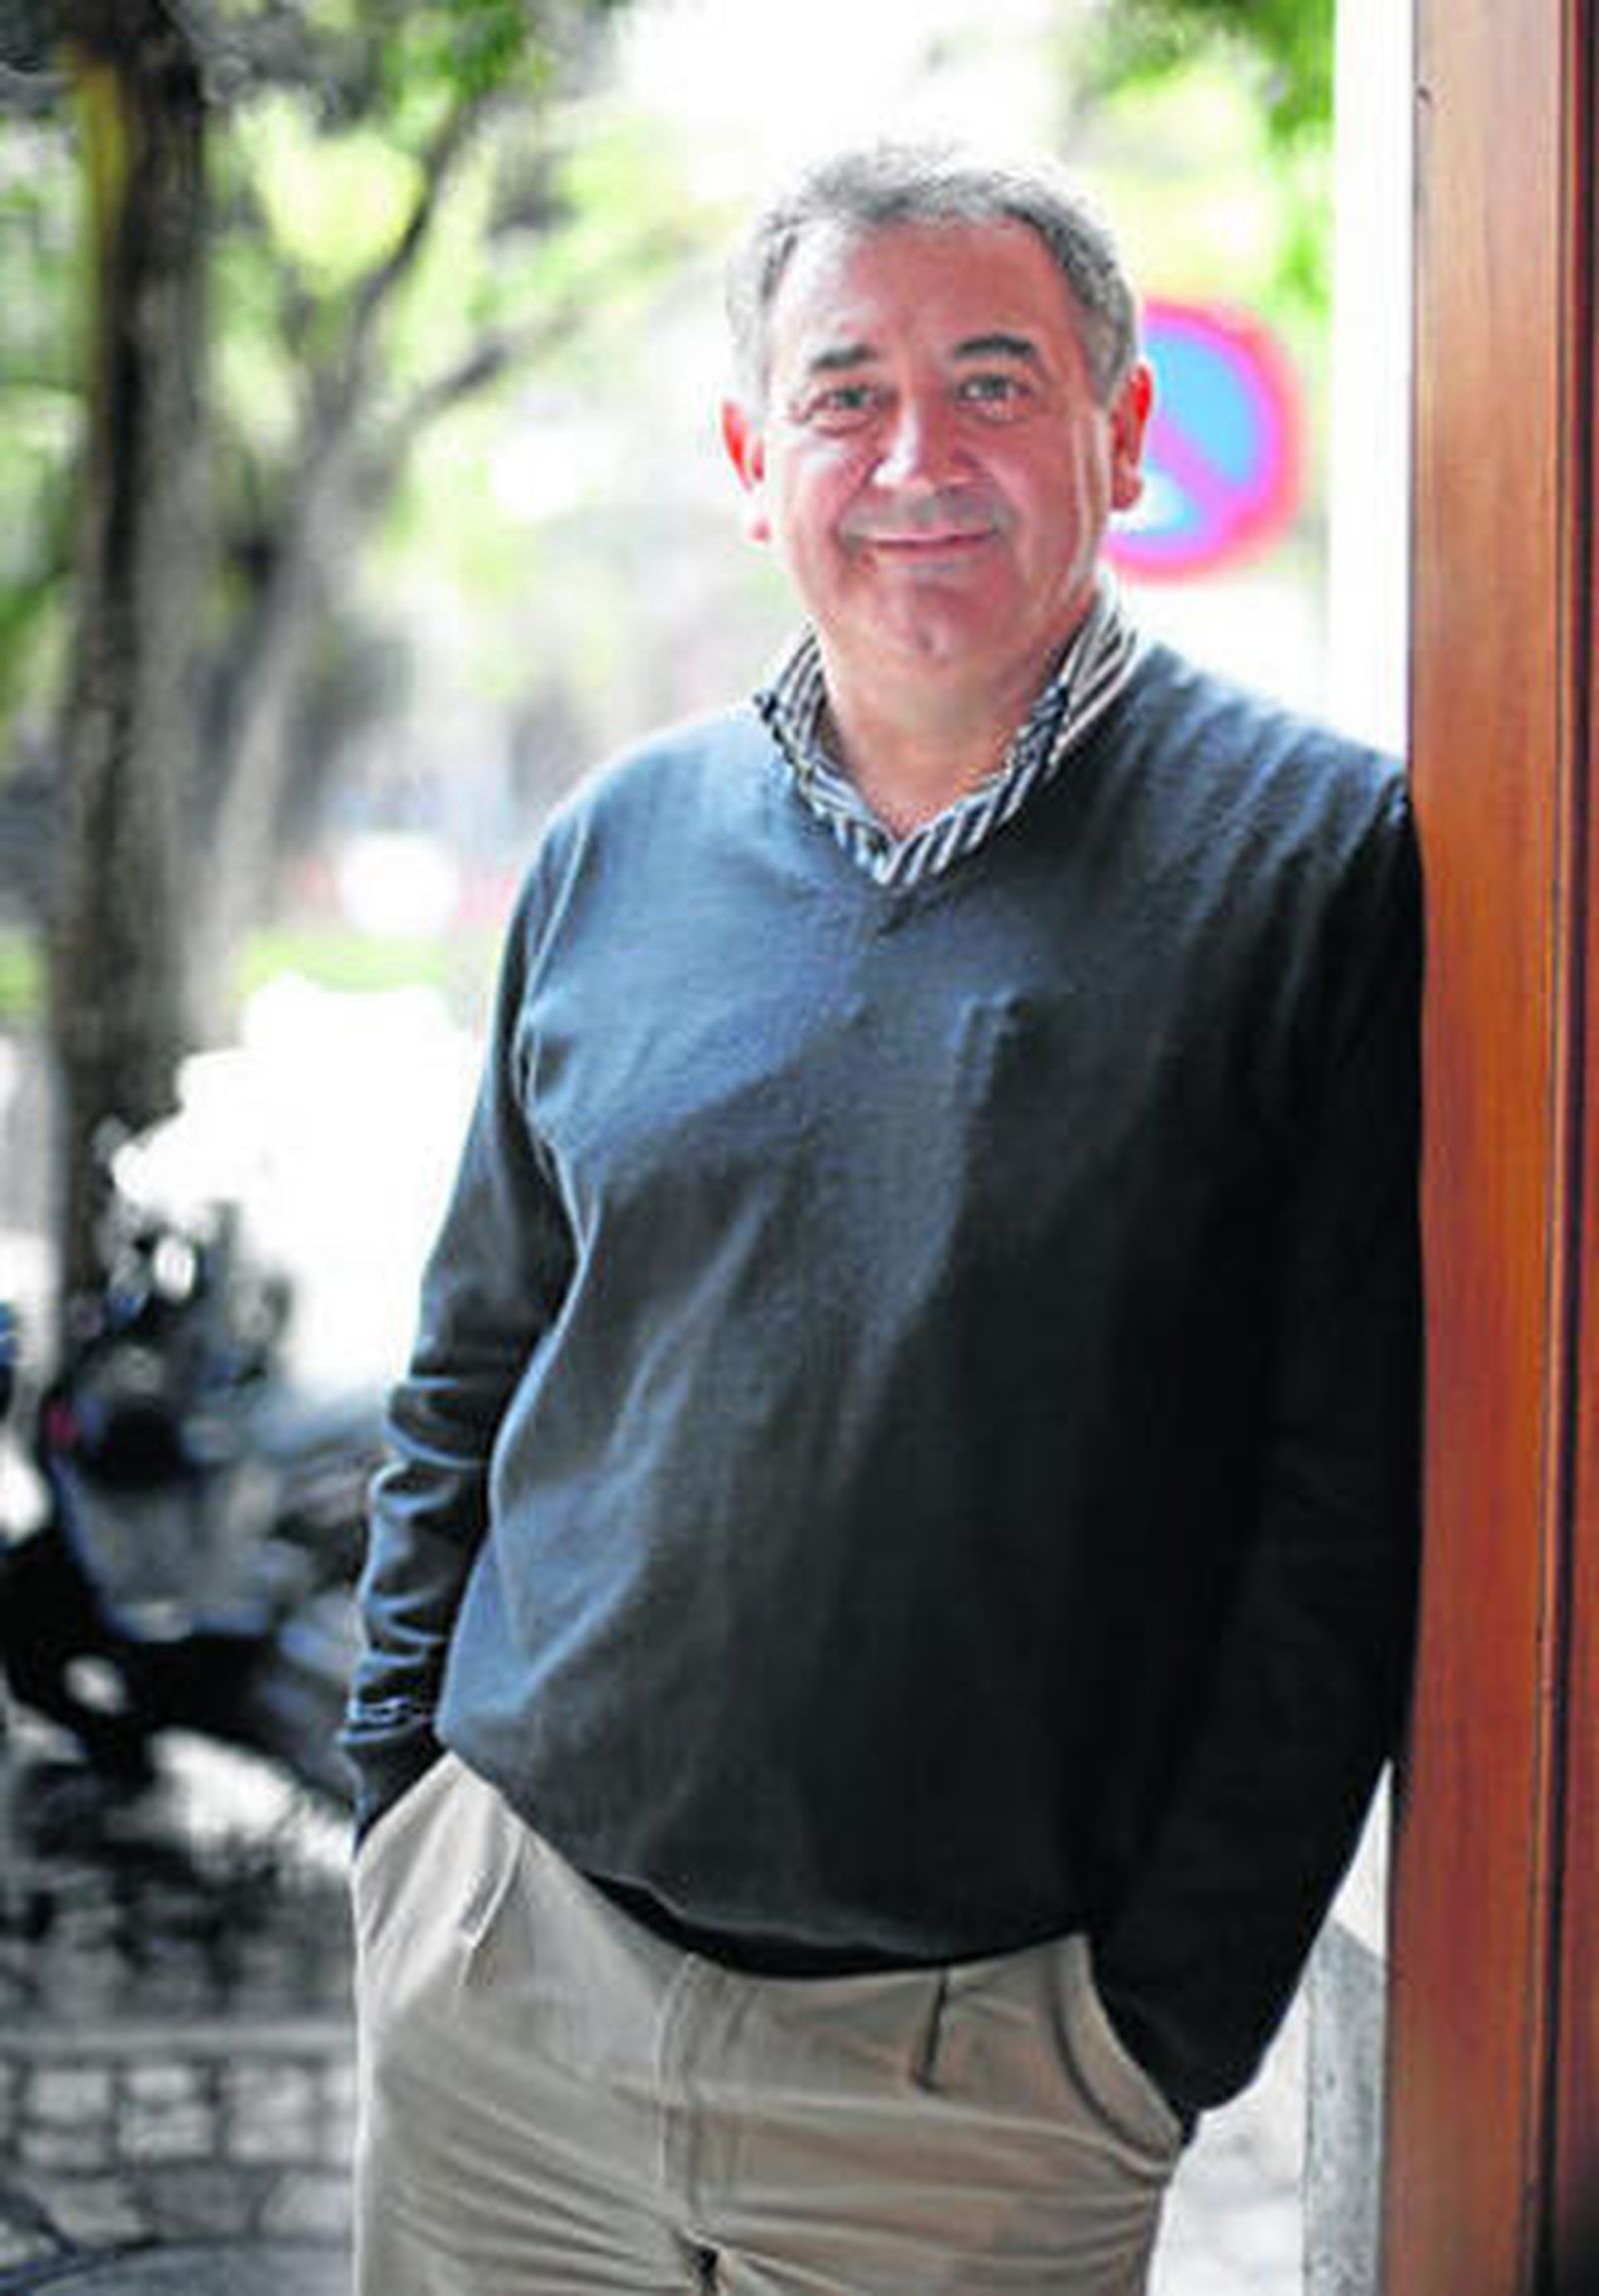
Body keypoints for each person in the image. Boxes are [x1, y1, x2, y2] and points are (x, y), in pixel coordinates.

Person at [342, 141, 1422, 2296]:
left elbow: (1346, 1499)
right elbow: (471, 1367)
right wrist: (404, 1821)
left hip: (978, 2094)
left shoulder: (1314, 864)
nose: (915, 458)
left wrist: (1160, 2024)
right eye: (845, 395)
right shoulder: (613, 843)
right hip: (510, 2000)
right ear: (756, 461)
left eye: (993, 384)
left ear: (1122, 433)